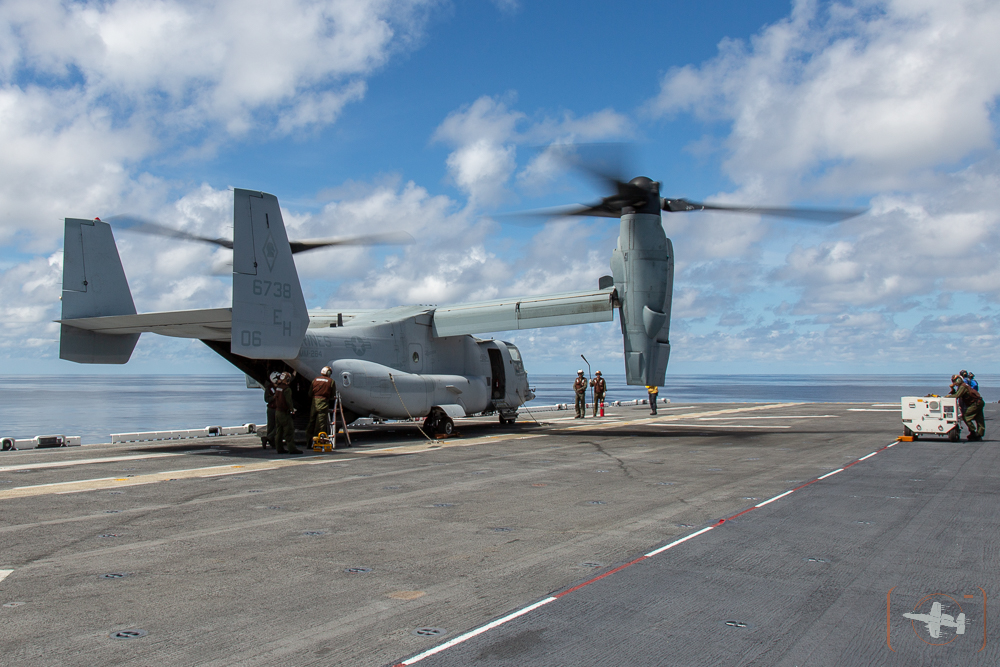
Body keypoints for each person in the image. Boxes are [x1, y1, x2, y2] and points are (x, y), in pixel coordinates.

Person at [948, 374, 985, 441]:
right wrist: (952, 389)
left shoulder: (963, 387)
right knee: (979, 419)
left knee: (966, 416)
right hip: (979, 402)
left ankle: (973, 432)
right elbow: (956, 393)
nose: (954, 383)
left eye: (954, 381)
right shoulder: (963, 386)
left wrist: (947, 397)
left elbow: (957, 395)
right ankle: (979, 434)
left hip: (975, 403)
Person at [274, 373, 301, 454]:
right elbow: (289, 401)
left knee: (279, 431)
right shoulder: (287, 389)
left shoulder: (278, 387)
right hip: (284, 413)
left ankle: (279, 448)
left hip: (277, 412)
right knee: (289, 431)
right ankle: (292, 449)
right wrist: (292, 411)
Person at [307, 367, 335, 443]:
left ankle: (309, 442)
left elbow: (310, 393)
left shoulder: (315, 380)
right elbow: (333, 395)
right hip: (323, 403)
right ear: (328, 373)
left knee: (312, 421)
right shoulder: (330, 381)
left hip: (314, 402)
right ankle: (318, 441)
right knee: (320, 423)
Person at [262, 371, 280, 447]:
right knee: (273, 426)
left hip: (275, 408)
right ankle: (269, 439)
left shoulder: (278, 387)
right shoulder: (269, 388)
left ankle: (270, 440)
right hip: (272, 409)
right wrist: (273, 397)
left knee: (275, 425)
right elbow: (266, 399)